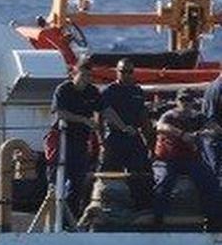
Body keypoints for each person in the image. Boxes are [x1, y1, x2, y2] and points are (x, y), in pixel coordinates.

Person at [153, 88, 222, 227]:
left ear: (193, 102)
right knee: (164, 182)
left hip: (190, 159)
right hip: (168, 160)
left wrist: (206, 133)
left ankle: (213, 218)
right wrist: (182, 134)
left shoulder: (198, 117)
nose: (186, 103)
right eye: (182, 100)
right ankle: (157, 218)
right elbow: (161, 127)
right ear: (177, 101)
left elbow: (216, 129)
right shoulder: (169, 115)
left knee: (210, 182)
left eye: (189, 100)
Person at [51, 56, 104, 218]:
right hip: (62, 139)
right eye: (83, 75)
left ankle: (71, 218)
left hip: (80, 141)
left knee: (78, 181)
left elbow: (103, 110)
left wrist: (106, 134)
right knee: (56, 179)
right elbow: (59, 113)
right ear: (75, 73)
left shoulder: (92, 91)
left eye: (89, 76)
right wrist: (84, 120)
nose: (86, 80)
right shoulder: (63, 90)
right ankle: (54, 217)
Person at [99, 59, 153, 211]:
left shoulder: (137, 91)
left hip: (133, 137)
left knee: (140, 172)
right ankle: (103, 206)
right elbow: (100, 117)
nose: (127, 75)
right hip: (114, 136)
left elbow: (143, 117)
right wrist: (102, 142)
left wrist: (150, 142)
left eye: (130, 72)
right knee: (108, 174)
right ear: (117, 72)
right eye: (123, 71)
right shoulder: (109, 91)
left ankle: (141, 208)